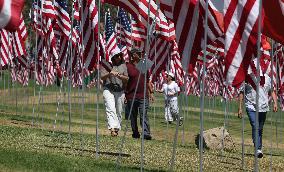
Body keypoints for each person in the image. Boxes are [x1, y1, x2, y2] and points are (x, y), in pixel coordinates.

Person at [238, 58, 278, 158]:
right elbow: (241, 92)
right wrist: (240, 108)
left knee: (259, 128)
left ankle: (258, 147)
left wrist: (275, 103)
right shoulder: (248, 78)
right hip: (250, 105)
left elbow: (272, 91)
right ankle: (258, 149)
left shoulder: (267, 78)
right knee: (255, 125)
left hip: (263, 107)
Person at [125, 48, 154, 140]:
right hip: (131, 95)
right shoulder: (128, 66)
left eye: (141, 53)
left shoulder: (143, 65)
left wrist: (151, 93)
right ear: (133, 55)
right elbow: (125, 82)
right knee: (133, 116)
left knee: (144, 114)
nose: (141, 54)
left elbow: (147, 81)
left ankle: (146, 133)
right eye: (138, 53)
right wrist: (125, 94)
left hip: (143, 96)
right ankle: (135, 132)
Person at [100, 49, 129, 137]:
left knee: (119, 111)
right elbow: (102, 77)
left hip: (120, 89)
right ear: (112, 56)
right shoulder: (106, 64)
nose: (119, 57)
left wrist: (120, 76)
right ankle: (112, 128)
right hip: (108, 88)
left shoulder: (123, 66)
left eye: (120, 56)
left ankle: (117, 128)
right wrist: (110, 74)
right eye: (117, 56)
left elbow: (127, 79)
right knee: (110, 107)